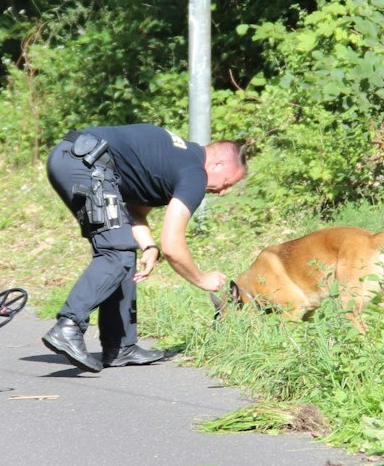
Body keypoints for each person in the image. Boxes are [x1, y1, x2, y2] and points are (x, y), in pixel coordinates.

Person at [40, 124, 247, 372]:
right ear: (217, 165)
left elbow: (135, 211)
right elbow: (173, 244)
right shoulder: (194, 173)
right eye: (226, 183)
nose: (223, 192)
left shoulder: (174, 158)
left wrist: (149, 245)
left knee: (124, 251)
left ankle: (120, 347)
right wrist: (202, 279)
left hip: (75, 158)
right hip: (86, 165)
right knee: (116, 252)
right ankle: (69, 326)